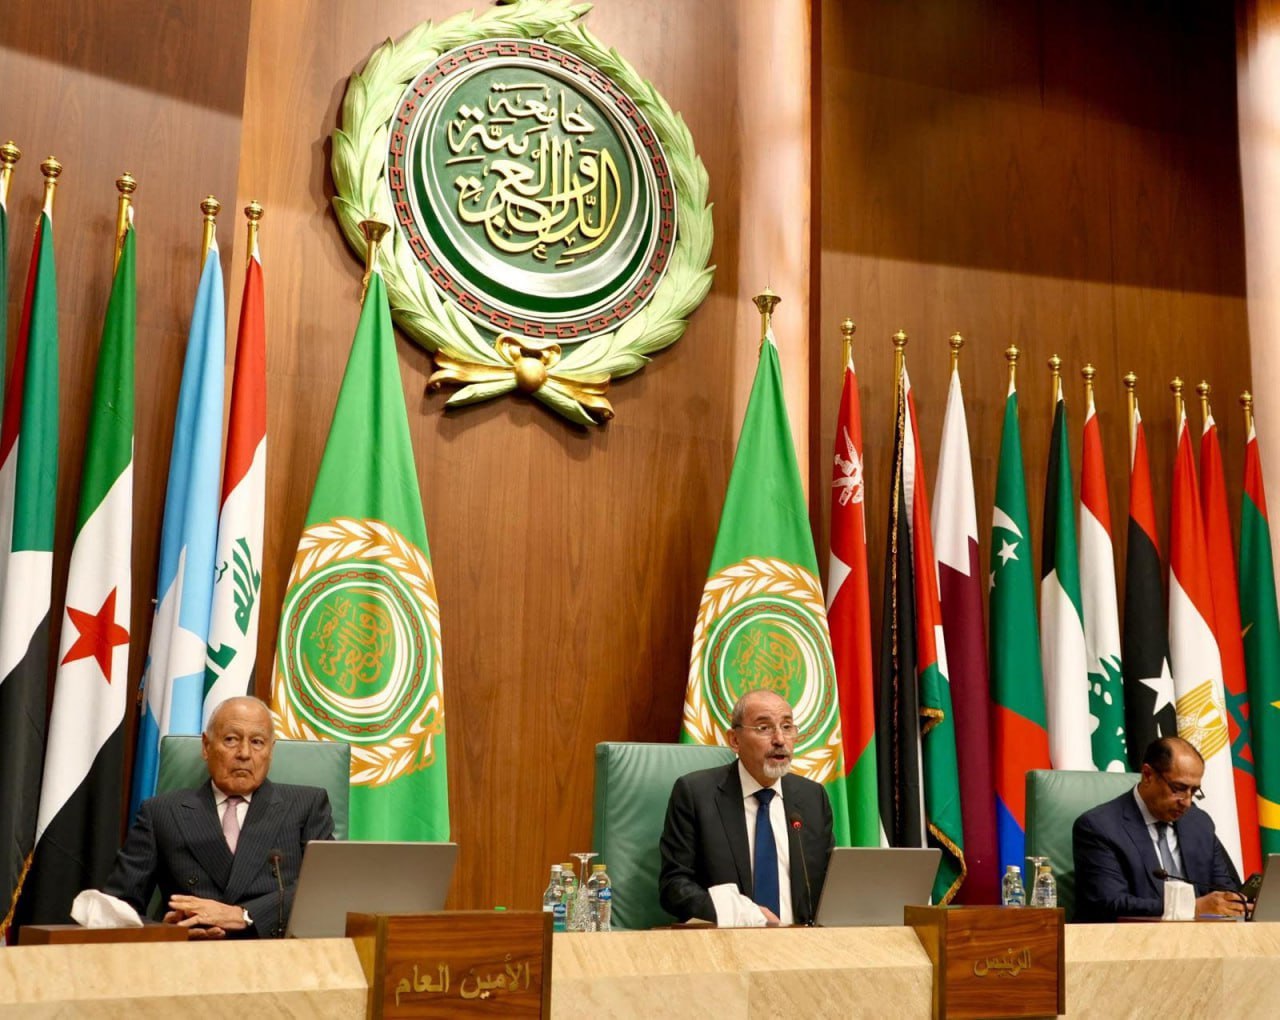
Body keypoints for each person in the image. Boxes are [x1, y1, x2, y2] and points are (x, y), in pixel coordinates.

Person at [103, 696, 333, 938]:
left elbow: (326, 890)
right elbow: (116, 908)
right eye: (231, 739)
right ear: (206, 746)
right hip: (192, 953)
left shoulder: (306, 805)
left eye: (257, 742)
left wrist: (245, 915)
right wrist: (167, 932)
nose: (244, 753)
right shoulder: (161, 812)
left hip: (276, 951)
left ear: (271, 751)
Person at [658, 689, 834, 926]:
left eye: (787, 727)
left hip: (803, 940)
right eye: (764, 728)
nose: (780, 739)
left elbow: (829, 882)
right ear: (734, 740)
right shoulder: (696, 794)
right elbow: (674, 887)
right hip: (728, 940)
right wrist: (742, 914)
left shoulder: (812, 797)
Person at [1072, 736, 1243, 922]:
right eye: (1178, 788)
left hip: (1203, 937)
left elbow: (1224, 890)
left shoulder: (1198, 823)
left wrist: (1237, 903)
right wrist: (1189, 908)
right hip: (1131, 937)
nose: (1187, 802)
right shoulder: (1099, 827)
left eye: (1194, 791)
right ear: (1148, 775)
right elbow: (1110, 903)